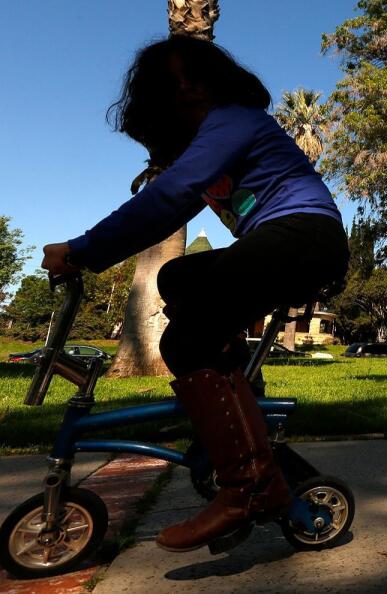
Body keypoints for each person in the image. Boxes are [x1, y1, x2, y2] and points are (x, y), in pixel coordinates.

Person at [41, 36, 349, 550]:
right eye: (173, 84)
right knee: (177, 279)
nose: (185, 89)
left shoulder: (236, 118)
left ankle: (248, 488)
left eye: (194, 78)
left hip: (305, 235)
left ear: (215, 82)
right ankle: (241, 407)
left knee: (185, 344)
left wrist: (81, 250)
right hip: (288, 239)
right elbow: (172, 200)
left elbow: (170, 198)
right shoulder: (207, 144)